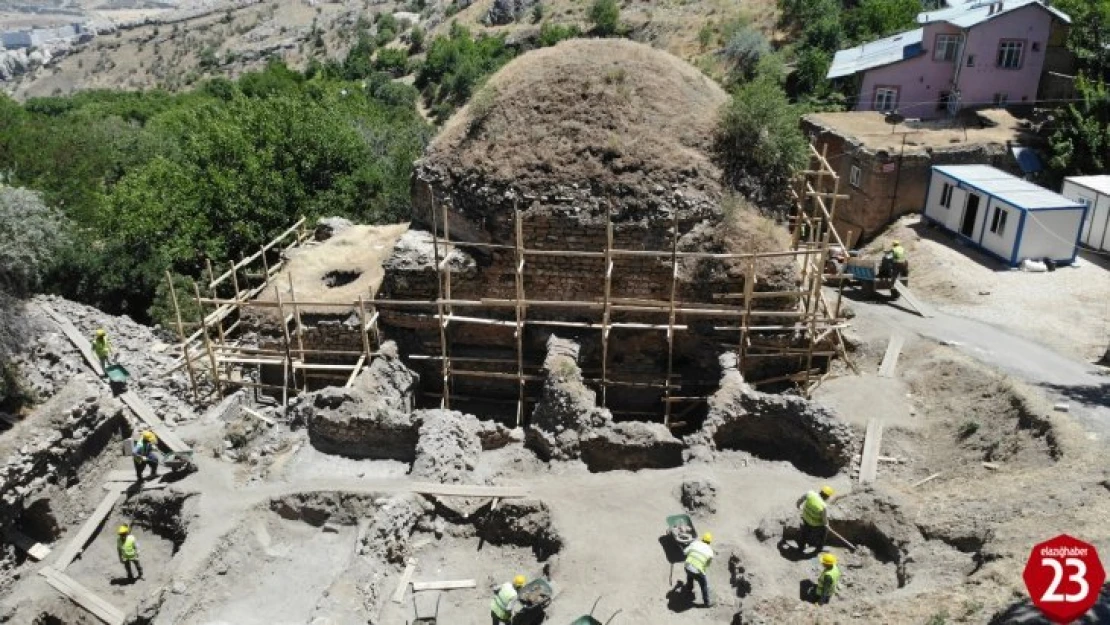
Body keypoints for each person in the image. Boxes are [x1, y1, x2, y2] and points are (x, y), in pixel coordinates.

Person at [796, 486, 833, 553]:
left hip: (805, 517)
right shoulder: (823, 506)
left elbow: (800, 500)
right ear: (827, 497)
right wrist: (828, 527)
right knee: (824, 531)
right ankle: (819, 547)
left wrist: (798, 506)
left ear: (820, 491)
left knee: (805, 531)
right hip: (815, 524)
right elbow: (824, 521)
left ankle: (801, 546)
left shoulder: (810, 493)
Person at [683, 532, 715, 607]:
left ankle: (689, 589)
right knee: (704, 585)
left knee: (690, 573)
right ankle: (707, 603)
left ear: (702, 539)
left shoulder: (695, 543)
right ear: (709, 542)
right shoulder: (710, 552)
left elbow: (685, 552)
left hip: (687, 566)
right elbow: (707, 565)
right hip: (697, 570)